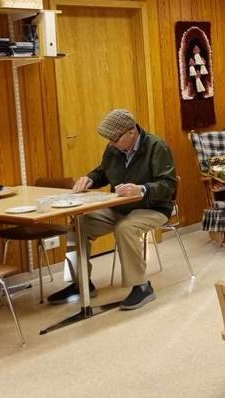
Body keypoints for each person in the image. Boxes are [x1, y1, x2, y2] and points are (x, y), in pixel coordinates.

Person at [47, 109, 177, 310]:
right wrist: (90, 178)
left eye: (114, 139)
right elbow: (103, 172)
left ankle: (141, 287)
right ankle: (80, 283)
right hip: (119, 207)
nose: (111, 143)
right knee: (80, 224)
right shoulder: (113, 149)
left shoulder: (156, 146)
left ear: (131, 132)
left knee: (125, 229)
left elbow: (168, 185)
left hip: (153, 207)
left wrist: (142, 189)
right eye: (109, 139)